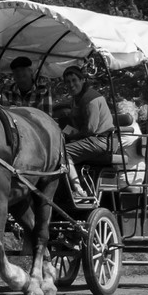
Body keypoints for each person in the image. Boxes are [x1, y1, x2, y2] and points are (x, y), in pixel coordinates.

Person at [60, 64, 116, 200]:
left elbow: (90, 129)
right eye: (68, 82)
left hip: (102, 141)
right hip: (92, 140)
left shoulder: (91, 99)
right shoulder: (76, 99)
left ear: (82, 80)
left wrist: (71, 136)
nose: (71, 84)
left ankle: (78, 190)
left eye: (74, 80)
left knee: (63, 152)